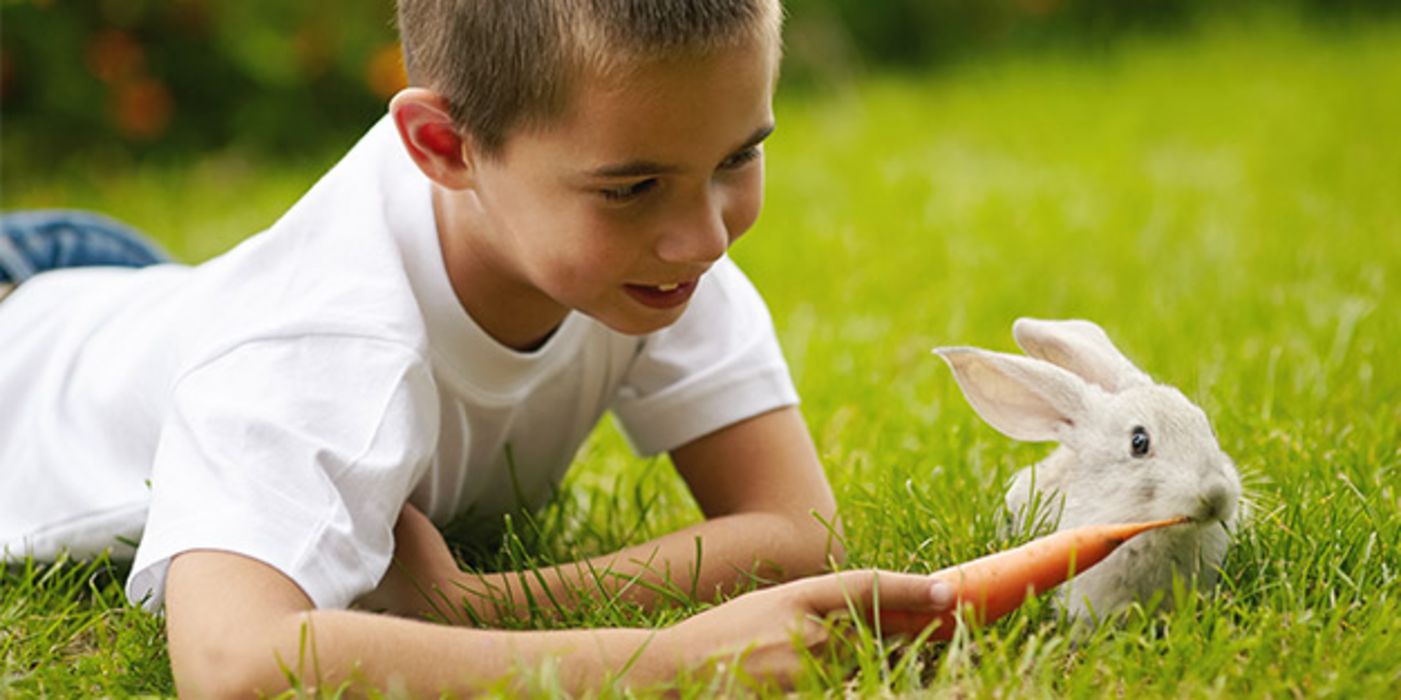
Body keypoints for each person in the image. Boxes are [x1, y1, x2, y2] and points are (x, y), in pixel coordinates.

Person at [0, 0, 954, 694]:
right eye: (631, 187)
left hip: (130, 295)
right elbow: (234, 663)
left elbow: (798, 533)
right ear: (444, 147)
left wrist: (486, 603)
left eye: (738, 157)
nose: (705, 237)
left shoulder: (645, 244)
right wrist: (671, 658)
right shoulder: (322, 342)